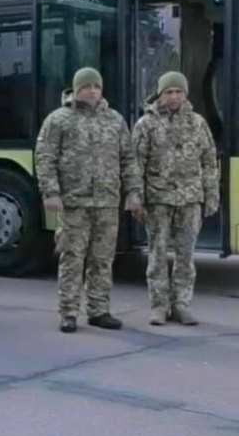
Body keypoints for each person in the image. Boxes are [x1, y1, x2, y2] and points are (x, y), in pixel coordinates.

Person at [35, 67, 142, 334]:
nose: (92, 91)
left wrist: (134, 192)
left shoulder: (115, 120)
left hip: (106, 203)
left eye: (96, 86)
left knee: (103, 259)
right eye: (87, 86)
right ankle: (69, 312)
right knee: (72, 258)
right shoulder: (59, 120)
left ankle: (99, 310)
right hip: (74, 203)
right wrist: (51, 192)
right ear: (76, 89)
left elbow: (128, 159)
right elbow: (45, 157)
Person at [132, 71, 219, 326]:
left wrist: (210, 195)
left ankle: (182, 304)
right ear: (161, 94)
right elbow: (136, 163)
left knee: (185, 256)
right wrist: (136, 196)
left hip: (190, 199)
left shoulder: (197, 123)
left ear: (185, 94)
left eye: (178, 92)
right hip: (158, 199)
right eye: (169, 92)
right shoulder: (146, 124)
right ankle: (159, 306)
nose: (174, 96)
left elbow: (209, 161)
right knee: (157, 255)